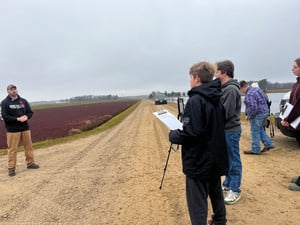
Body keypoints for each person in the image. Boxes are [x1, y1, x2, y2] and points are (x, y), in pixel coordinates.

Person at [169, 61, 228, 225]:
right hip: (215, 157)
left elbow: (191, 133)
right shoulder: (217, 98)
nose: (190, 81)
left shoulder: (196, 100)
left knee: (197, 200)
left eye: (190, 77)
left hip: (199, 160)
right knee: (216, 192)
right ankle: (220, 221)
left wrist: (174, 135)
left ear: (196, 78)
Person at [215, 60, 242, 205]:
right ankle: (228, 182)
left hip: (231, 131)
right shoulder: (224, 88)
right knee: (227, 159)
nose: (214, 74)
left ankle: (235, 190)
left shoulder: (231, 89)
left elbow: (226, 113)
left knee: (233, 160)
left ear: (224, 72)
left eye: (216, 72)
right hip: (225, 130)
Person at [1, 84, 39, 177]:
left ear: (17, 90)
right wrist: (17, 119)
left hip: (25, 128)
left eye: (15, 89)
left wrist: (26, 116)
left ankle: (30, 163)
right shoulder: (4, 103)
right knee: (12, 150)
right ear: (8, 91)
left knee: (28, 147)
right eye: (11, 89)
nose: (13, 91)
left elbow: (30, 112)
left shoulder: (23, 101)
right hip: (12, 130)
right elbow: (4, 116)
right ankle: (11, 168)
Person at [239, 80, 274, 155]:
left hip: (257, 114)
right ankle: (269, 144)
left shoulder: (249, 94)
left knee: (254, 131)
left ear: (242, 88)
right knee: (260, 129)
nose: (241, 92)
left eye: (240, 90)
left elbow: (253, 107)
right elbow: (265, 99)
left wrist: (249, 116)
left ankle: (255, 149)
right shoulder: (258, 89)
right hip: (265, 112)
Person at [281, 57, 300, 191]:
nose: (292, 69)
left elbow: (298, 106)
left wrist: (288, 119)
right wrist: (284, 116)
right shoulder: (297, 83)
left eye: (295, 67)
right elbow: (291, 103)